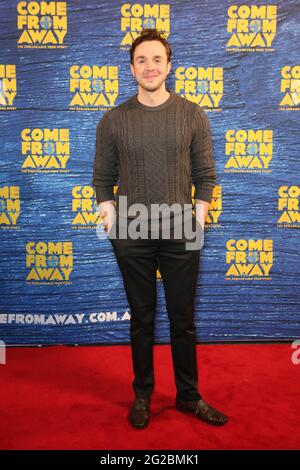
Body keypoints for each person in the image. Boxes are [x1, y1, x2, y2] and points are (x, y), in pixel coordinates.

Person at [92, 28, 228, 429]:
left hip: (181, 231)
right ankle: (142, 395)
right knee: (142, 318)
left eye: (156, 59)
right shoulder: (114, 119)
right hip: (131, 232)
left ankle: (189, 396)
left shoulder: (191, 113)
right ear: (131, 69)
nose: (149, 66)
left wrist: (197, 216)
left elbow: (205, 175)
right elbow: (102, 178)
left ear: (169, 65)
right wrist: (113, 222)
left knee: (183, 318)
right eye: (141, 60)